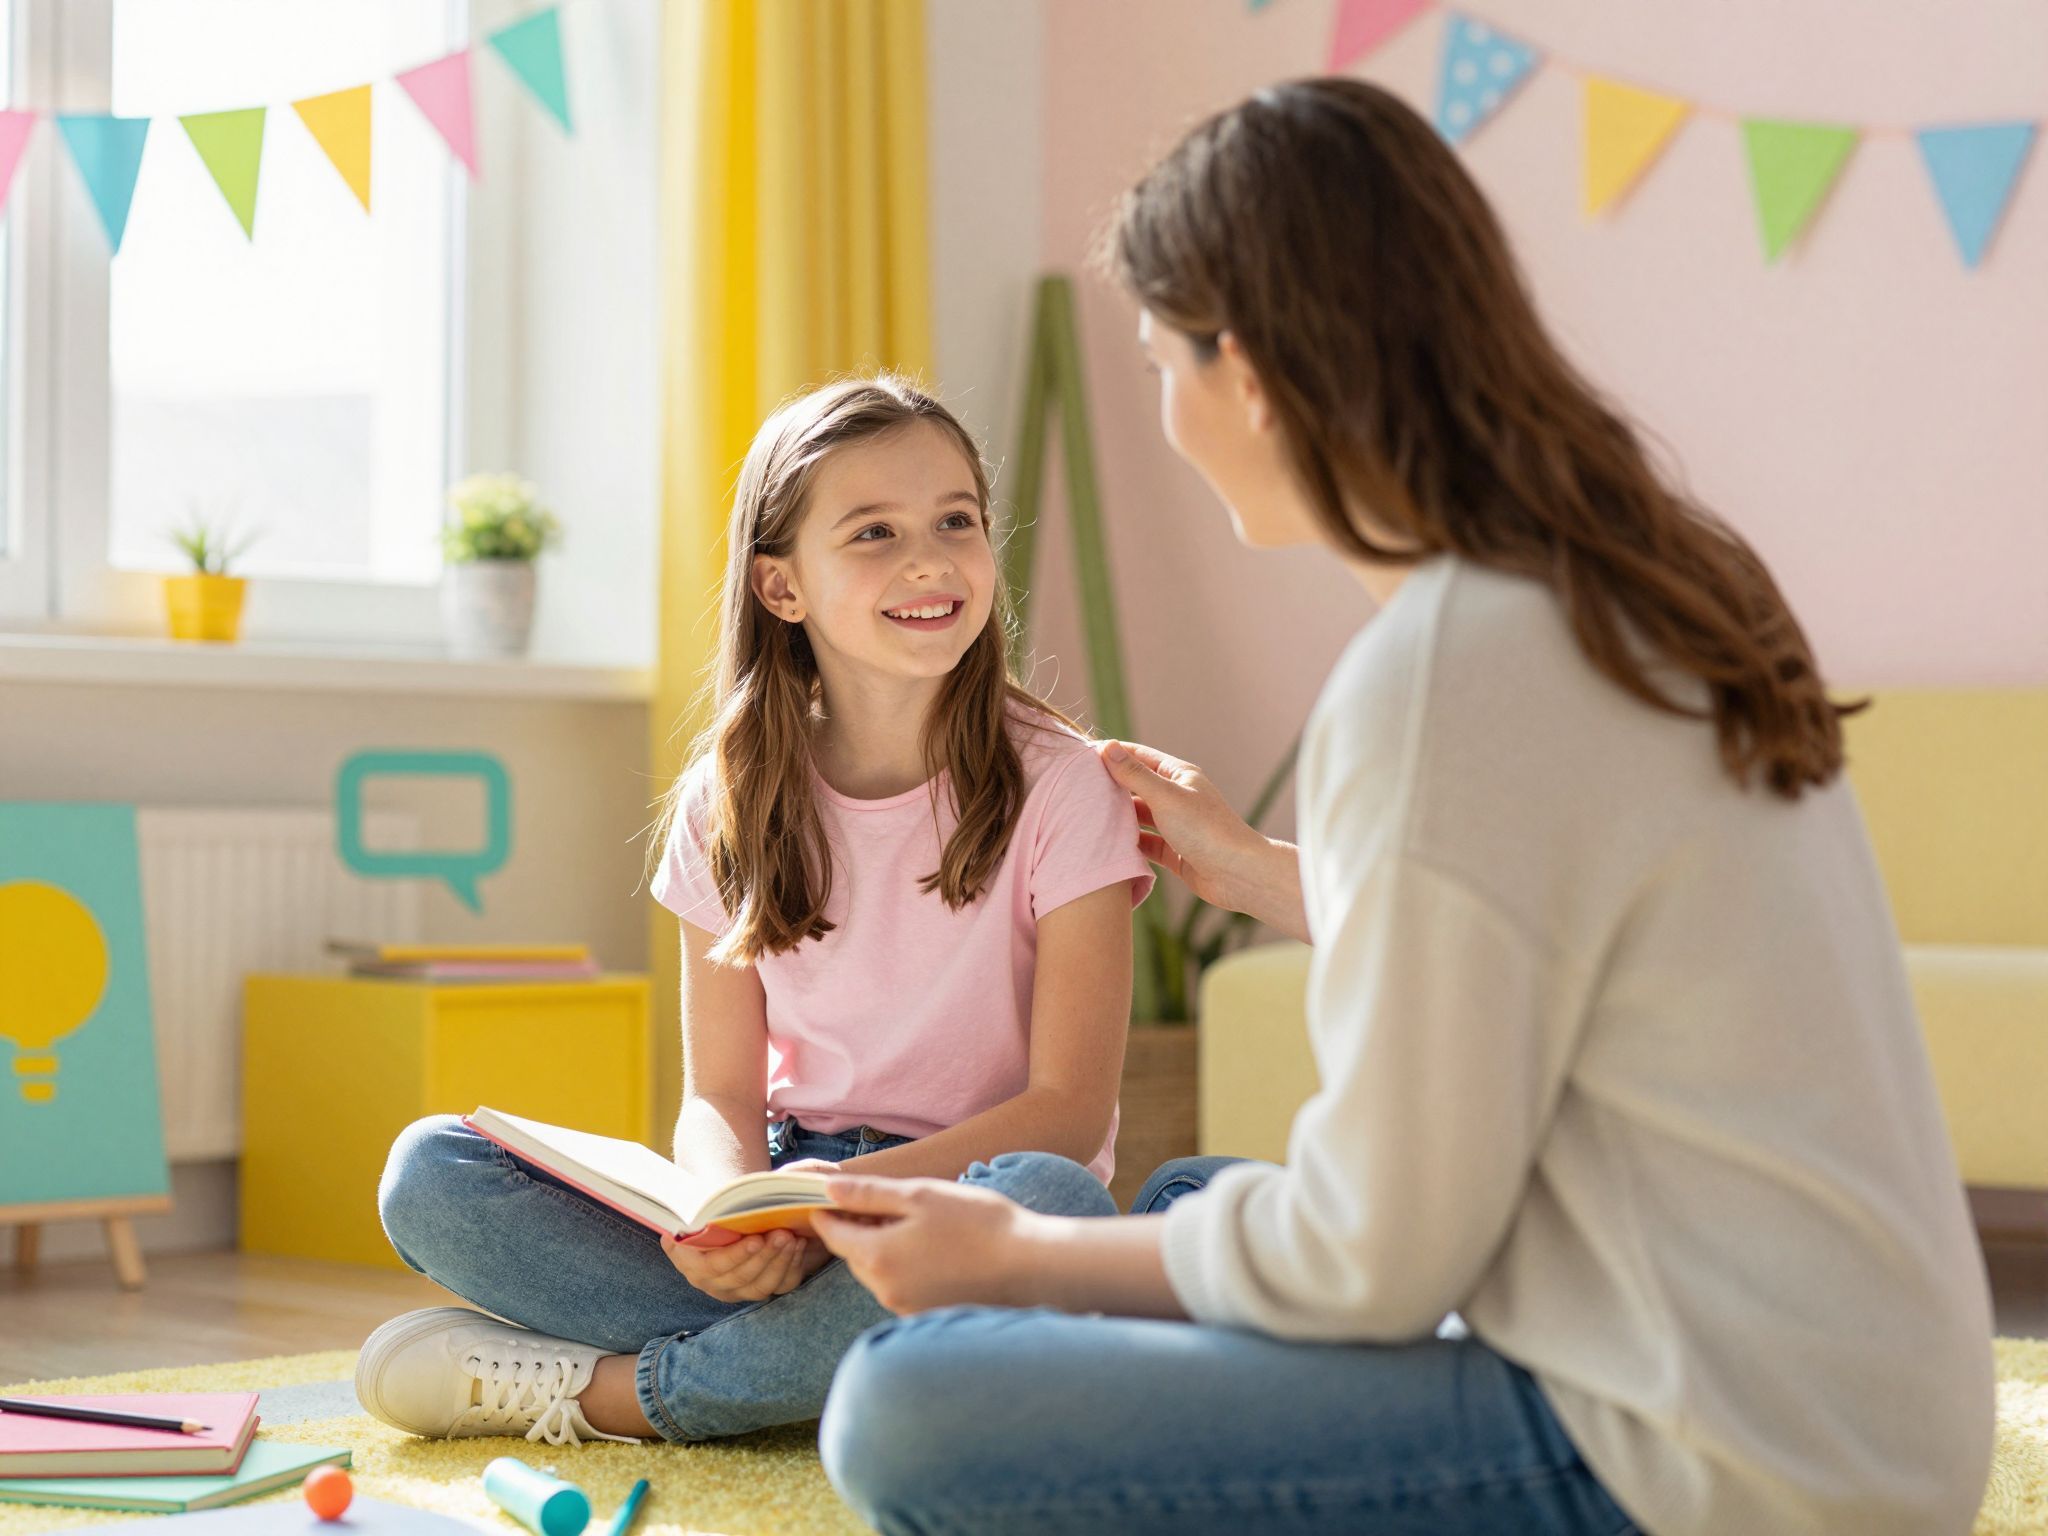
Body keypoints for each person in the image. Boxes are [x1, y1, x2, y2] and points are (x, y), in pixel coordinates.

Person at [809, 79, 1997, 1536]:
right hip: (1863, 1415)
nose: (1170, 417)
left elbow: (1379, 1256)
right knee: (1188, 1194)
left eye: (1161, 366)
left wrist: (1012, 1261)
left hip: (1701, 1459)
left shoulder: (1450, 666)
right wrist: (1259, 875)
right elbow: (1567, 957)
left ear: (1242, 370)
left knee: (907, 1405)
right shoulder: (1641, 585)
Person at [353, 376, 1151, 1447]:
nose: (929, 559)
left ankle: (617, 1397)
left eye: (955, 520)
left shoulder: (1062, 788)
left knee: (1059, 1201)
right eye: (874, 532)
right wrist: (721, 1215)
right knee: (430, 1172)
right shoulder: (727, 802)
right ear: (781, 588)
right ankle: (811, 1362)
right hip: (787, 1200)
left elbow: (1067, 1109)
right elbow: (720, 1092)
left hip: (968, 1202)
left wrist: (843, 1205)